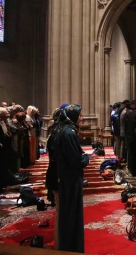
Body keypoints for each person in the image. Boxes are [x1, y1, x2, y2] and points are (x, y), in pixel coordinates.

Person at [53, 105, 90, 253]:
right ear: (73, 116)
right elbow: (76, 160)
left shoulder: (63, 129)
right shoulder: (69, 133)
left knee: (68, 213)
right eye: (80, 115)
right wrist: (86, 157)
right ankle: (71, 248)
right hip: (71, 178)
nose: (82, 118)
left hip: (66, 176)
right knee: (71, 215)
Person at [45, 108, 63, 248]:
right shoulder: (59, 134)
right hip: (58, 174)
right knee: (61, 209)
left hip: (55, 172)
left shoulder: (55, 132)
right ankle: (60, 244)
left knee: (61, 208)